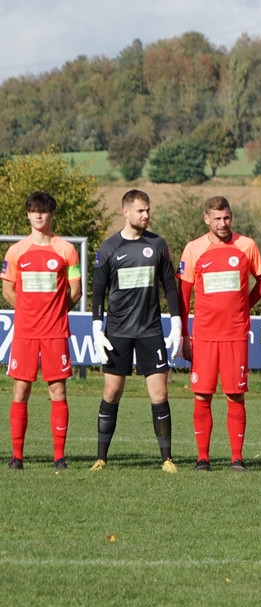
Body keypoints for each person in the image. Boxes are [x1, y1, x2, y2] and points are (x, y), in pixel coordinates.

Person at [89, 190, 183, 473]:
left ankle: (167, 459)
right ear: (126, 212)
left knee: (160, 393)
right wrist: (97, 328)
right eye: (140, 211)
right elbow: (98, 292)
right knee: (111, 392)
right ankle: (101, 458)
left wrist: (176, 324)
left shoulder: (157, 244)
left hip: (150, 331)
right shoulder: (109, 247)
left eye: (148, 210)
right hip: (117, 331)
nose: (146, 215)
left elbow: (170, 287)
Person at [178, 196, 261, 471]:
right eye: (217, 218)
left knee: (235, 394)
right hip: (204, 336)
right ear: (206, 219)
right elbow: (183, 296)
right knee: (202, 395)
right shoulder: (193, 249)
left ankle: (236, 458)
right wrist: (184, 336)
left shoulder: (246, 245)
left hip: (235, 334)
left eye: (227, 217)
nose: (223, 223)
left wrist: (245, 306)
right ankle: (202, 458)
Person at [2, 191, 82, 470]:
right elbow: (8, 290)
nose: (38, 215)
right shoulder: (16, 251)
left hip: (55, 332)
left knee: (57, 391)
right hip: (25, 333)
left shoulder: (66, 250)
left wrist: (55, 313)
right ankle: (17, 456)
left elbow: (75, 291)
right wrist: (28, 313)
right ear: (28, 214)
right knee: (20, 390)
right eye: (34, 210)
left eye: (44, 210)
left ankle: (59, 457)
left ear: (51, 214)